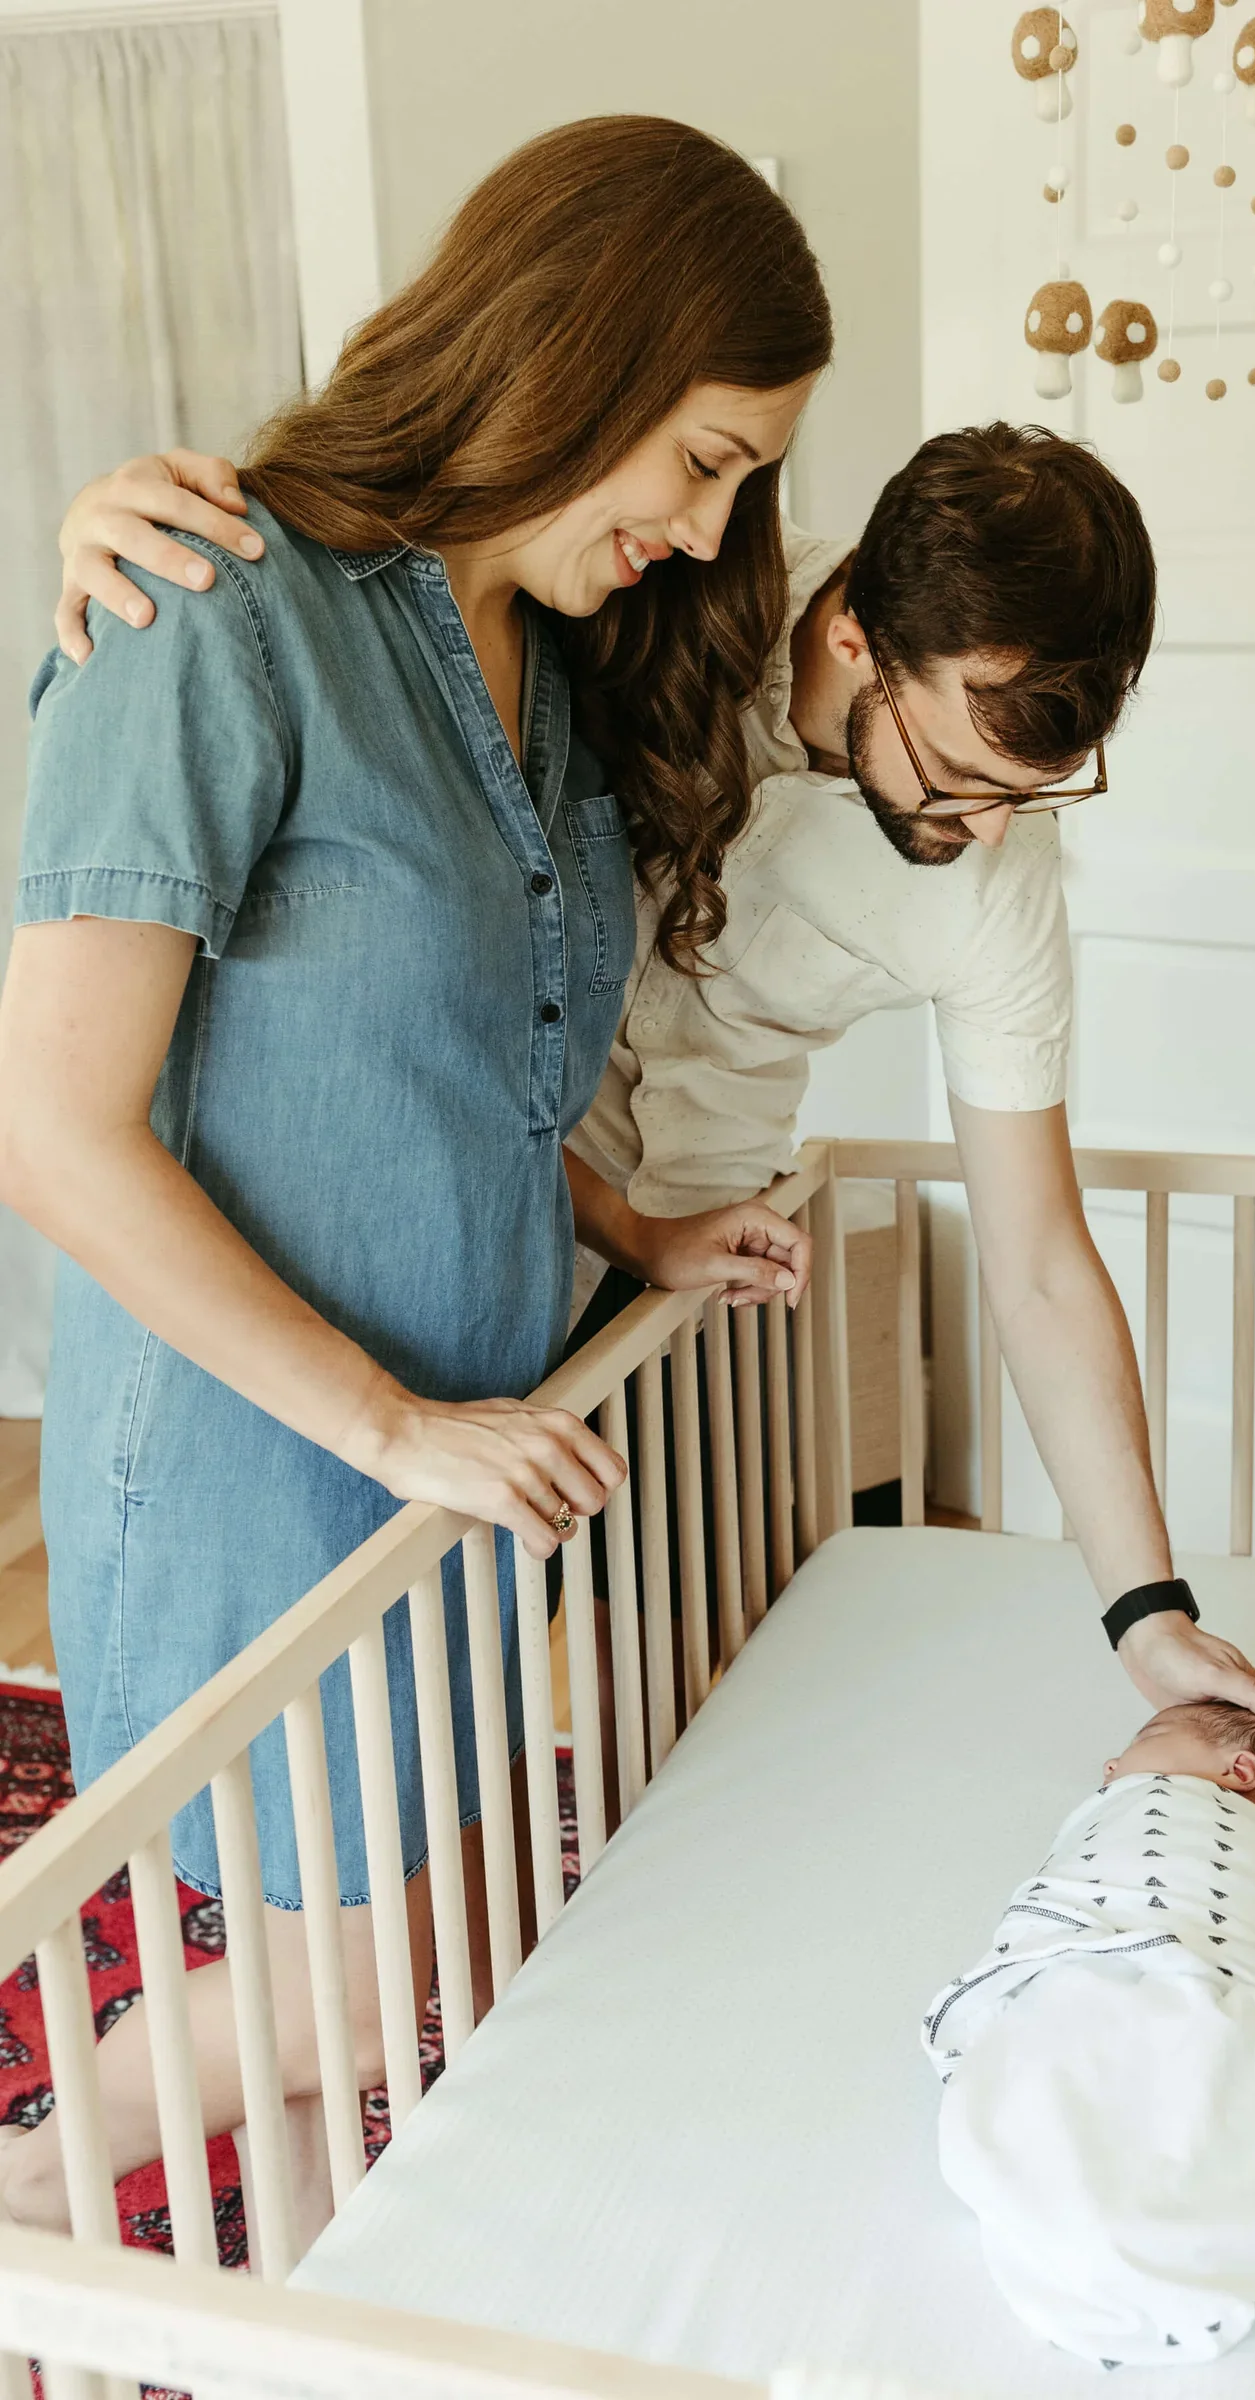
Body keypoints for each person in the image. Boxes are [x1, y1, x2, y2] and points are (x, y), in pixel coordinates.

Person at [0, 115, 830, 2240]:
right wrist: (385, 1422)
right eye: (711, 456)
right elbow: (48, 1129)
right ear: (584, 347)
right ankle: (28, 2209)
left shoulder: (545, 663)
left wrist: (626, 1232)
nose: (712, 520)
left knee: (415, 1968)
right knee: (371, 1974)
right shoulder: (215, 604)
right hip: (259, 1452)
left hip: (453, 1455)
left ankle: (271, 2314)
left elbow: (465, 1078)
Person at [57, 424, 1255, 1793]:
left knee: (668, 1719)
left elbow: (1036, 1259)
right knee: (395, 1735)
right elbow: (397, 571)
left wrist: (1148, 1613)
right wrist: (130, 523)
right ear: (851, 637)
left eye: (1034, 793)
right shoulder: (658, 606)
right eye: (961, 777)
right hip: (476, 1227)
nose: (991, 831)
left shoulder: (998, 890)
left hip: (685, 1273)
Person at [923, 1703, 1255, 2368]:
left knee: (1165, 2050)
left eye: (1146, 1740)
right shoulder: (1131, 1806)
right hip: (1129, 1954)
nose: (1111, 1768)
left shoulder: (1235, 1837)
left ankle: (1131, 2211)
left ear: (1237, 1773)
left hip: (1218, 1960)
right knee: (1116, 2056)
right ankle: (1161, 2212)